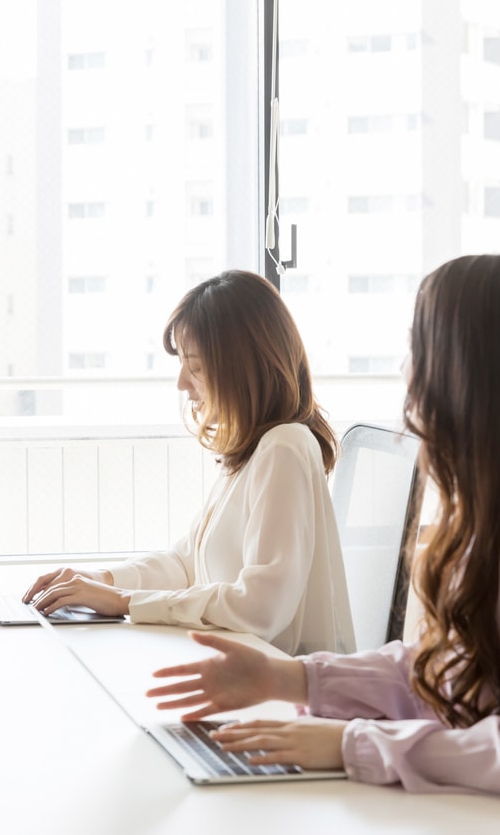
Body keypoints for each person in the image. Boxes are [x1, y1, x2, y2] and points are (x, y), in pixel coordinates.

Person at [147, 255, 500, 834]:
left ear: (470, 369)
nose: (409, 371)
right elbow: (451, 676)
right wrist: (292, 679)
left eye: (419, 348)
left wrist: (349, 745)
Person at [23, 270, 354, 656]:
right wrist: (102, 580)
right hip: (236, 670)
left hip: (276, 692)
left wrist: (124, 601)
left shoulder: (284, 446)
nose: (182, 382)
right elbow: (187, 563)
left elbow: (261, 606)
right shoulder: (254, 450)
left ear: (243, 365)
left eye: (194, 365)